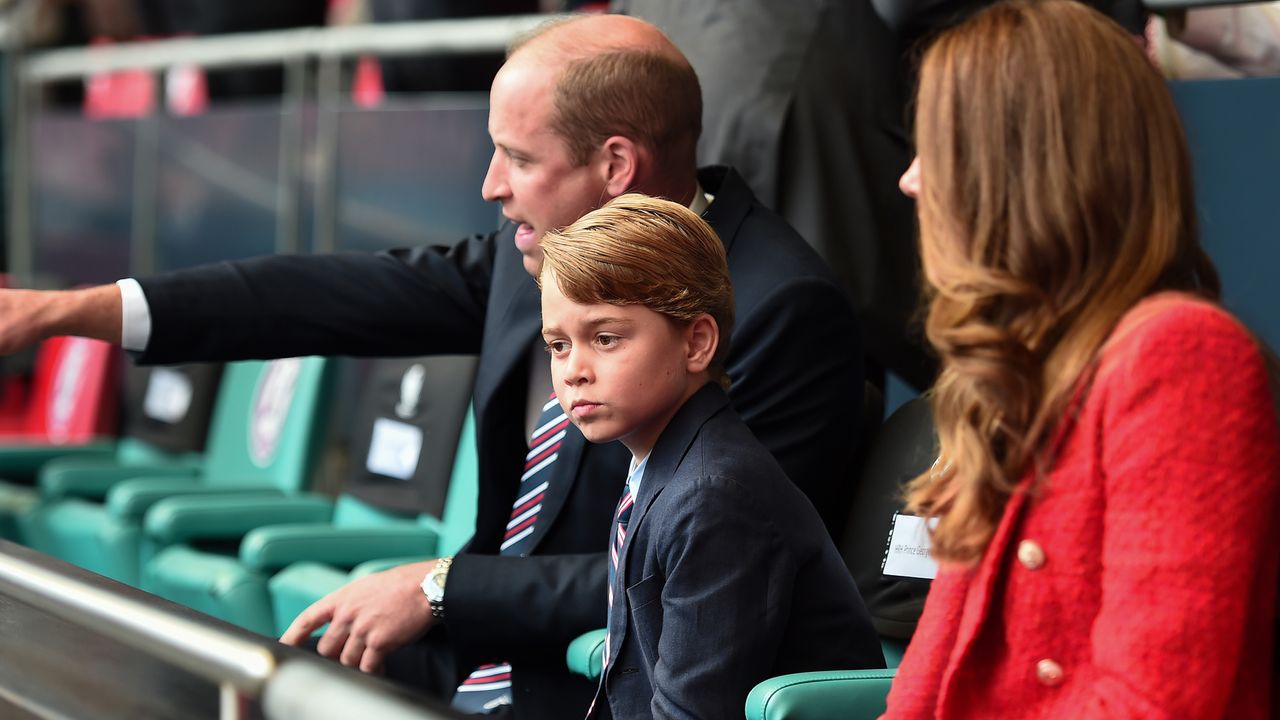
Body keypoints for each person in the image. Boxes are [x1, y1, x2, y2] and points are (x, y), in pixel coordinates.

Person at [0, 14, 867, 717]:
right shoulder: (535, 251)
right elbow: (317, 295)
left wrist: (446, 586)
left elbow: (711, 569)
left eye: (519, 159)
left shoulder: (778, 308)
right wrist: (66, 312)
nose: (491, 186)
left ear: (615, 167)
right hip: (462, 661)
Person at [884, 2, 1280, 717]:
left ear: (1023, 169)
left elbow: (1154, 705)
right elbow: (925, 683)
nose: (911, 180)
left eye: (936, 147)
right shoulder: (1020, 374)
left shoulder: (1182, 355)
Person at [538, 194, 883, 718]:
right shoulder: (665, 466)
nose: (573, 370)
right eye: (558, 345)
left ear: (696, 342)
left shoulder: (712, 496)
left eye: (605, 338)